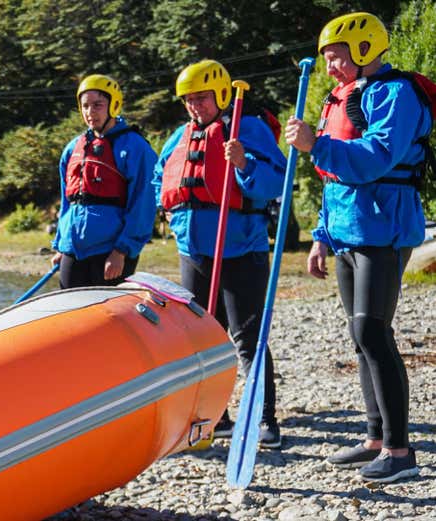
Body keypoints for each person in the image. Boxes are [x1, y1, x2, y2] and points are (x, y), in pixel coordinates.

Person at [285, 12, 429, 482]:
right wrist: (320, 238)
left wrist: (314, 145)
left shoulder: (395, 93)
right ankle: (374, 438)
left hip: (382, 226)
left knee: (372, 332)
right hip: (346, 226)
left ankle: (401, 451)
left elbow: (375, 158)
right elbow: (333, 182)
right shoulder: (343, 97)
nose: (330, 66)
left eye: (337, 56)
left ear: (365, 49)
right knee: (358, 334)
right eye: (326, 57)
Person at [153, 60, 287, 448]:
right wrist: (168, 210)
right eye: (189, 100)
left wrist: (244, 162)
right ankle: (217, 417)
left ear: (223, 95)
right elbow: (159, 178)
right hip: (194, 250)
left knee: (246, 337)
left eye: (202, 98)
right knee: (203, 339)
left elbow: (276, 181)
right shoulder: (179, 136)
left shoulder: (248, 128)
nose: (195, 106)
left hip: (240, 248)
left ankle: (265, 419)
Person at [51, 74, 156, 288]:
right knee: (72, 316)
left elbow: (143, 204)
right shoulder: (73, 148)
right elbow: (67, 202)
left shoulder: (135, 147)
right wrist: (61, 245)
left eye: (98, 105)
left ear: (113, 104)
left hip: (111, 251)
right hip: (73, 249)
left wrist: (122, 251)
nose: (91, 112)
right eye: (85, 106)